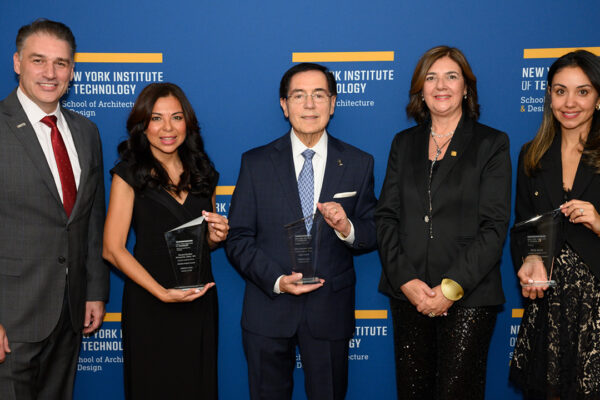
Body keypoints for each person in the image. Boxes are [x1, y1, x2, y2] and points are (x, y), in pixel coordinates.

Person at [225, 62, 377, 399]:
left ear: (333, 103)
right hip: (268, 310)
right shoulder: (256, 163)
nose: (309, 105)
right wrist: (277, 280)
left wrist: (346, 227)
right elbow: (237, 238)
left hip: (329, 312)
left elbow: (373, 228)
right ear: (284, 105)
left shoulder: (357, 162)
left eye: (319, 95)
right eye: (299, 95)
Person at [375, 45, 511, 399]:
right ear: (421, 89)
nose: (441, 85)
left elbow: (494, 227)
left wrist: (450, 289)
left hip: (469, 297)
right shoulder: (403, 144)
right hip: (410, 296)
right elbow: (386, 216)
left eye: (452, 76)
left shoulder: (491, 144)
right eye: (431, 77)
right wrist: (405, 280)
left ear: (466, 87)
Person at [0, 19, 109, 400]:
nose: (50, 73)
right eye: (38, 60)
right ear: (16, 62)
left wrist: (94, 290)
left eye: (61, 63)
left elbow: (92, 218)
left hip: (69, 313)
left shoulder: (86, 132)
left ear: (72, 71)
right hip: (10, 320)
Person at [102, 82, 229, 399]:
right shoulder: (129, 173)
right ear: (143, 125)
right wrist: (162, 293)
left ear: (188, 122)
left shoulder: (203, 171)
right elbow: (112, 248)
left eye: (176, 117)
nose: (168, 128)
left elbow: (205, 242)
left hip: (199, 299)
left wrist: (216, 237)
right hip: (150, 301)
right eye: (157, 118)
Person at [509, 50, 600, 399]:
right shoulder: (532, 154)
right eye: (560, 91)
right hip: (550, 308)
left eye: (582, 91)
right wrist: (532, 260)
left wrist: (598, 221)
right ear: (549, 96)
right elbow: (525, 227)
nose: (569, 102)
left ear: (597, 97)